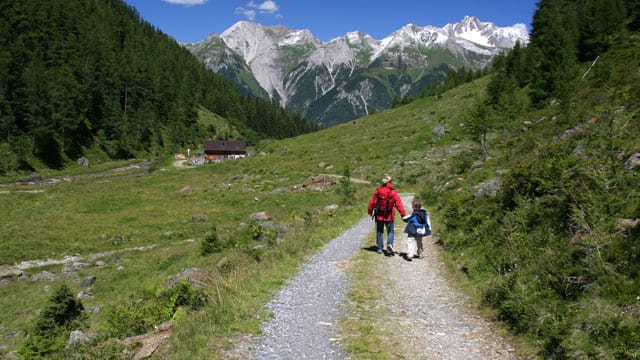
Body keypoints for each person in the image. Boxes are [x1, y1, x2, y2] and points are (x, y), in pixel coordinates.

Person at [368, 174, 406, 255]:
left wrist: (370, 211)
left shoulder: (378, 191)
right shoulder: (393, 192)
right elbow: (399, 204)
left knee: (379, 231)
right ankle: (389, 244)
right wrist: (403, 214)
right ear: (390, 182)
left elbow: (372, 202)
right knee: (390, 231)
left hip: (379, 215)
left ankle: (379, 248)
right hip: (389, 215)